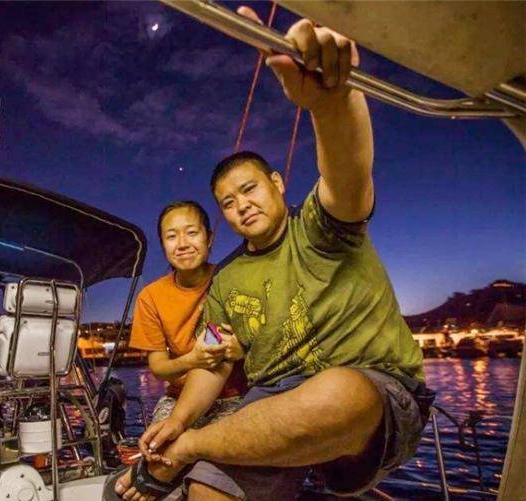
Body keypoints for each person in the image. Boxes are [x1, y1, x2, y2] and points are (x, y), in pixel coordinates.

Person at [110, 6, 431, 501]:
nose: (241, 206)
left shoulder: (322, 228)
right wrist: (177, 419)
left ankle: (189, 450)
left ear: (277, 183)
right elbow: (214, 362)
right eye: (228, 203)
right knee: (208, 494)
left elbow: (348, 175)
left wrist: (330, 105)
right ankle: (191, 448)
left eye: (250, 189)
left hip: (373, 392)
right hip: (270, 402)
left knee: (338, 391)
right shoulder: (226, 280)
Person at [128, 200, 247, 427]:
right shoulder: (150, 297)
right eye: (172, 236)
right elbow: (159, 367)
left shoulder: (232, 279)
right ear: (163, 245)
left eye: (192, 233)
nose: (182, 244)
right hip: (179, 396)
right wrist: (192, 360)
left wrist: (241, 350)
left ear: (209, 238)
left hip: (236, 395)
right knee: (159, 445)